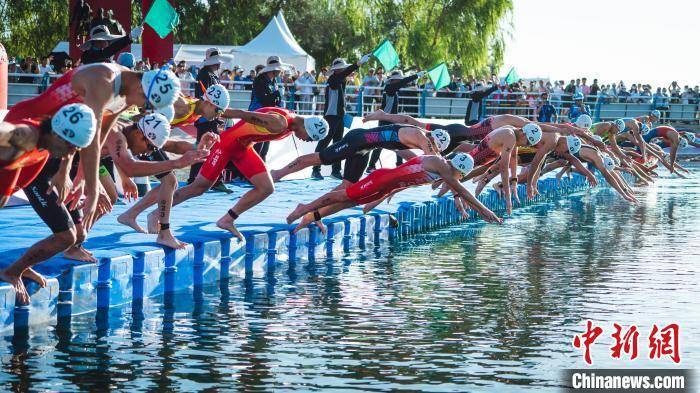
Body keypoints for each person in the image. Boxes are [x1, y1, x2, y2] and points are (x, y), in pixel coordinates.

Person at [5, 62, 181, 230]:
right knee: (4, 193)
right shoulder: (104, 82)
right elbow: (91, 140)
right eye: (148, 105)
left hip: (52, 143)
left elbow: (98, 134)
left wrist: (79, 176)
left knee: (8, 193)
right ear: (142, 89)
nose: (143, 109)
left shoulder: (127, 90)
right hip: (28, 128)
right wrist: (93, 189)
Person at [136, 107, 329, 240]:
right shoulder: (279, 122)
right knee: (198, 187)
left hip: (243, 147)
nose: (306, 140)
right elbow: (243, 114)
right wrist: (212, 111)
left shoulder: (291, 122)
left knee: (266, 187)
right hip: (227, 144)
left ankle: (227, 219)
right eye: (309, 137)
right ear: (305, 126)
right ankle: (155, 215)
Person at [0, 104, 97, 305]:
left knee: (68, 236)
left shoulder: (45, 146)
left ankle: (19, 269)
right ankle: (14, 271)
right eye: (72, 147)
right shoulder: (24, 136)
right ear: (59, 135)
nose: (71, 153)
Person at [286, 153, 502, 233]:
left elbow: (409, 174)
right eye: (457, 173)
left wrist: (390, 194)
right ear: (456, 167)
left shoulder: (444, 169)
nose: (456, 176)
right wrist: (484, 211)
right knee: (342, 196)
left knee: (347, 204)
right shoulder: (442, 165)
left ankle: (311, 216)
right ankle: (303, 208)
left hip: (386, 186)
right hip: (381, 179)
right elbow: (461, 190)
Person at [97, 114, 211, 248]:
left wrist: (199, 148)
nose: (148, 153)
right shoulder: (117, 134)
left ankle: (78, 238)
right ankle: (76, 238)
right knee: (94, 198)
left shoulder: (133, 132)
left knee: (109, 197)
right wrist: (176, 163)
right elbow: (129, 166)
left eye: (154, 150)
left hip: (91, 159)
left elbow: (172, 145)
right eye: (150, 147)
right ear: (139, 133)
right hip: (75, 157)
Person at [271, 125, 450, 181]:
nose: (433, 148)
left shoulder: (417, 138)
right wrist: (454, 188)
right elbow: (432, 158)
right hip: (356, 140)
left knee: (348, 186)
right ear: (433, 140)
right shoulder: (421, 136)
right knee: (320, 158)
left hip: (365, 148)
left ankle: (318, 213)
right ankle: (278, 173)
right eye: (434, 146)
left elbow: (413, 158)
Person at [312, 54, 372, 180]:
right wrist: (358, 64)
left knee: (338, 144)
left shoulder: (339, 80)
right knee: (324, 143)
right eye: (342, 68)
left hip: (339, 116)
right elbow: (343, 75)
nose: (344, 70)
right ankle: (315, 169)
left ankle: (335, 170)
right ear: (337, 70)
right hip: (331, 116)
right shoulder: (333, 80)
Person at [366, 69, 425, 171]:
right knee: (380, 143)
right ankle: (371, 166)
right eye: (398, 80)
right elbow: (403, 82)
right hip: (385, 120)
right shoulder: (390, 88)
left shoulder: (392, 89)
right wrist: (416, 76)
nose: (399, 82)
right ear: (393, 81)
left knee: (399, 142)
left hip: (391, 120)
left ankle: (399, 163)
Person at [248, 56, 285, 161]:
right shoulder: (259, 80)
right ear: (273, 70)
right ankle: (251, 172)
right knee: (257, 145)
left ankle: (262, 170)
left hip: (269, 115)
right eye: (278, 69)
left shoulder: (274, 81)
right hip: (257, 115)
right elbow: (263, 100)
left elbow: (274, 101)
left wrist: (278, 97)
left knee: (265, 147)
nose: (280, 71)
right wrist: (276, 94)